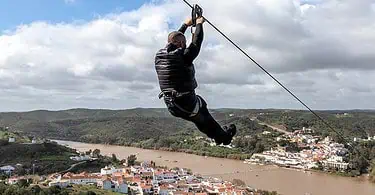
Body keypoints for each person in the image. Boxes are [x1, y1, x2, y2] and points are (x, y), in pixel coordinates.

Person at [154, 16, 236, 145]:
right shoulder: (184, 57)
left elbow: (174, 39)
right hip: (186, 103)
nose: (185, 46)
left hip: (172, 105)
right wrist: (199, 24)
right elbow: (197, 42)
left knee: (199, 118)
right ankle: (223, 137)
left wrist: (185, 25)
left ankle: (220, 136)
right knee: (202, 111)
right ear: (181, 44)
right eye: (184, 43)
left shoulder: (160, 55)